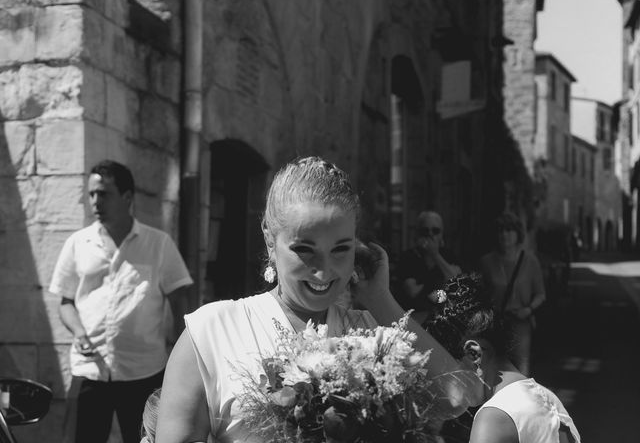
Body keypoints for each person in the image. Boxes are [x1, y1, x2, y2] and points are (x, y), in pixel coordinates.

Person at [155, 156, 475, 443]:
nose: (323, 272)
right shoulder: (213, 330)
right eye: (304, 250)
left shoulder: (373, 334)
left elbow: (459, 396)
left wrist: (380, 299)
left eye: (340, 249)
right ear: (270, 241)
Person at [49, 160, 193, 443]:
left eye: (103, 194)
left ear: (127, 197)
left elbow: (179, 299)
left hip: (143, 371)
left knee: (147, 441)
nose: (95, 202)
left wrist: (178, 352)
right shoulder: (78, 243)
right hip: (90, 371)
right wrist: (79, 333)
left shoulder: (158, 244)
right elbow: (66, 302)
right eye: (91, 194)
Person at [426, 273, 581, 443]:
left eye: (447, 371)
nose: (444, 383)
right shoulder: (548, 399)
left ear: (473, 354)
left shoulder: (494, 417)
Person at [478, 212, 545, 376]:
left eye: (509, 230)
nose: (504, 235)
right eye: (500, 230)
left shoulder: (530, 261)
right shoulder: (486, 262)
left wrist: (528, 309)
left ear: (517, 233)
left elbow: (541, 294)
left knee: (520, 372)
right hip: (495, 325)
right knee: (494, 372)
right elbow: (479, 295)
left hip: (520, 325)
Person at [394, 210, 461, 326]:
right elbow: (412, 292)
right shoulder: (408, 257)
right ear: (418, 234)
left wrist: (435, 255)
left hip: (445, 320)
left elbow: (456, 282)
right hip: (414, 320)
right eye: (425, 231)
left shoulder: (448, 256)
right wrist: (440, 286)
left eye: (435, 231)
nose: (430, 235)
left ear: (441, 234)